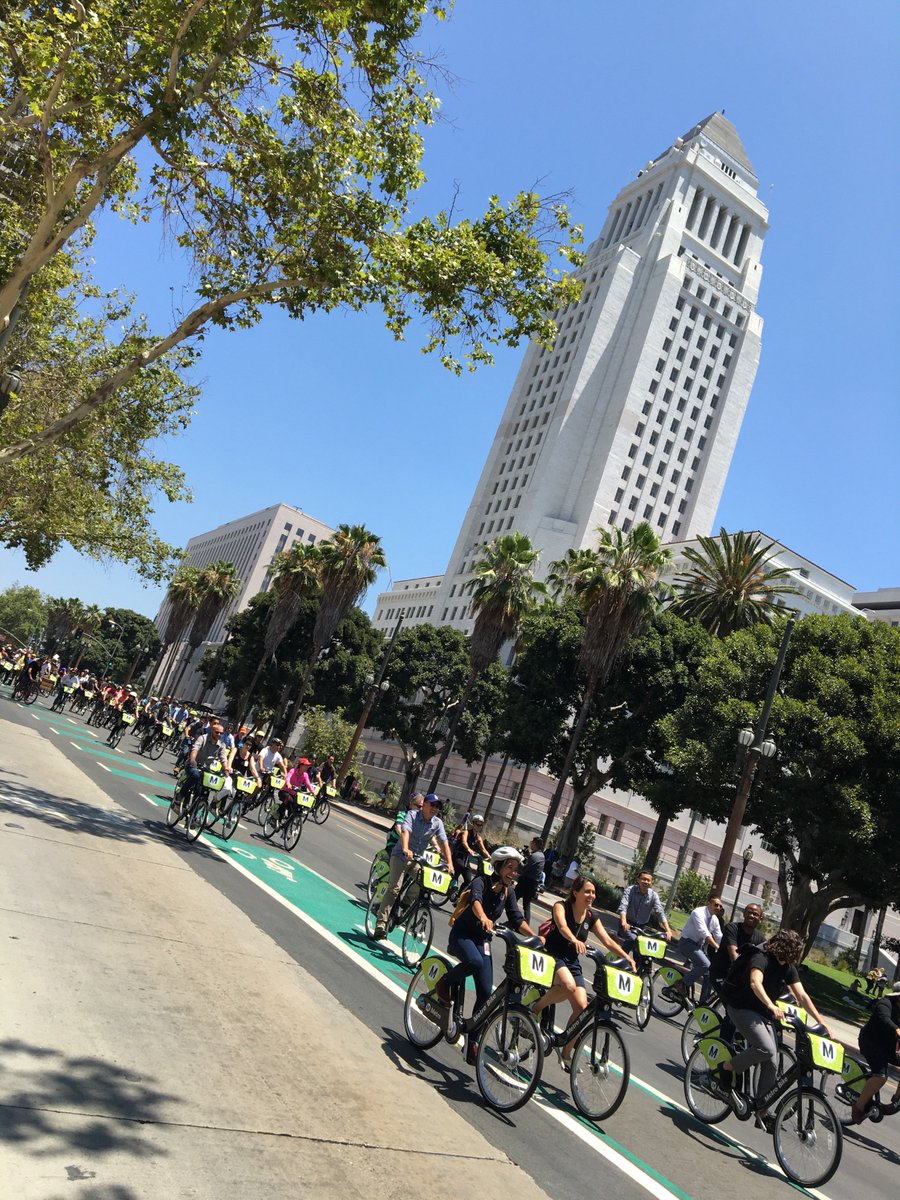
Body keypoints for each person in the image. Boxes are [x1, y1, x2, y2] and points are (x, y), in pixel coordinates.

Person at [713, 928, 831, 1131]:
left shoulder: (787, 965)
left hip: (762, 1012)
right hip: (741, 1007)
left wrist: (821, 1022)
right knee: (766, 1048)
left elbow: (802, 996)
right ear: (784, 948)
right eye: (793, 951)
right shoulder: (761, 957)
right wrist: (770, 1005)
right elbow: (755, 982)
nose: (794, 956)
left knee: (772, 1063)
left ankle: (762, 1112)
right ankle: (725, 1068)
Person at [437, 846, 539, 1064]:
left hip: (483, 940)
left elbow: (517, 918)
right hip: (463, 934)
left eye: (516, 869)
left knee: (486, 993)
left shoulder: (508, 891)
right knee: (473, 961)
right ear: (499, 866)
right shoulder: (481, 881)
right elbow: (475, 902)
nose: (513, 872)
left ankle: (471, 1041)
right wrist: (483, 917)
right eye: (509, 867)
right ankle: (444, 983)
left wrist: (535, 937)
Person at [532, 875, 635, 1068]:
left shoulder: (590, 916)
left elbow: (608, 941)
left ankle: (565, 1052)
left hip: (571, 961)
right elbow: (562, 926)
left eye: (593, 892)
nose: (591, 895)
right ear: (575, 892)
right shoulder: (561, 906)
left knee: (582, 1008)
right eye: (587, 891)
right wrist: (574, 939)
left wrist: (626, 957)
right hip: (552, 955)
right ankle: (534, 1009)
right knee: (568, 986)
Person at [372, 793, 453, 940]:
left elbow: (444, 842)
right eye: (432, 805)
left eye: (438, 807)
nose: (435, 809)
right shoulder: (412, 814)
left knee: (423, 883)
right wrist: (405, 848)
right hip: (400, 856)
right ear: (425, 805)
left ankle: (404, 905)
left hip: (417, 860)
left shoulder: (437, 823)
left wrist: (450, 863)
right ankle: (380, 924)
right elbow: (405, 831)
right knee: (394, 890)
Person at [852, 980, 900, 1122]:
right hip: (870, 1042)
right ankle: (858, 1107)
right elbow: (884, 1019)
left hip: (887, 1047)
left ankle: (896, 1099)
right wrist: (897, 1030)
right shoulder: (885, 1003)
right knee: (881, 1076)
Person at [671, 894, 724, 1004]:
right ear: (708, 903)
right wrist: (717, 947)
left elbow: (719, 936)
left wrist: (728, 948)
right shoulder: (698, 913)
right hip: (686, 943)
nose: (718, 908)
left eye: (720, 906)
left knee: (710, 972)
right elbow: (704, 933)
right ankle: (682, 983)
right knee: (706, 965)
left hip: (698, 946)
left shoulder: (714, 919)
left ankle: (703, 1003)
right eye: (716, 905)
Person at [708, 902, 765, 995]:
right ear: (744, 914)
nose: (751, 915)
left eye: (755, 914)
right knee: (730, 1000)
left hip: (737, 978)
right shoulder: (732, 928)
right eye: (749, 912)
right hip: (720, 973)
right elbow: (734, 956)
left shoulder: (760, 938)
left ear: (760, 918)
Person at [617, 868, 674, 947]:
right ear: (638, 880)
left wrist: (668, 930)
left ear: (651, 883)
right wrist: (624, 922)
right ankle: (623, 956)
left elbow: (660, 913)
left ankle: (628, 957)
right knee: (635, 941)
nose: (646, 882)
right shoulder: (630, 890)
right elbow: (623, 906)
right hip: (627, 925)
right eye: (643, 879)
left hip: (641, 928)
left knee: (642, 950)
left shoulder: (653, 895)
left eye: (648, 880)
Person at [517, 837, 545, 923]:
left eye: (532, 842)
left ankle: (515, 918)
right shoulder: (541, 856)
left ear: (535, 844)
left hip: (526, 881)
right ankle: (526, 922)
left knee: (513, 898)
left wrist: (518, 859)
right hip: (533, 884)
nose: (530, 844)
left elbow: (524, 868)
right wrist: (528, 855)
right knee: (526, 904)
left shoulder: (534, 856)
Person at [458, 813, 490, 884]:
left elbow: (483, 849)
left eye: (481, 825)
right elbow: (464, 842)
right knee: (460, 866)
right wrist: (468, 849)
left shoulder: (479, 838)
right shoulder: (466, 832)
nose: (479, 826)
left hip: (466, 859)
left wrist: (490, 857)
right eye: (477, 824)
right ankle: (453, 882)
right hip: (458, 856)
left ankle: (459, 894)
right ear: (473, 824)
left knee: (468, 880)